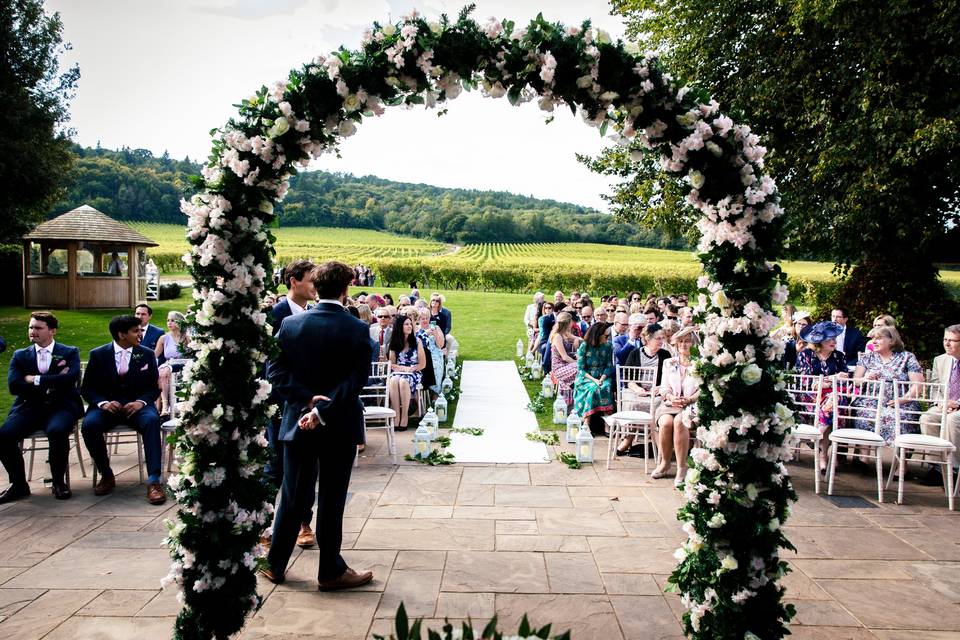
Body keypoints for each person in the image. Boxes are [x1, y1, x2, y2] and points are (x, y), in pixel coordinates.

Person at [264, 260, 374, 591]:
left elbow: (275, 373)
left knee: (293, 494)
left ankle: (274, 564)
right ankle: (330, 571)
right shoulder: (357, 329)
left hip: (297, 422)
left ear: (316, 286)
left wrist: (306, 400)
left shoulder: (291, 325)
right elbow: (357, 380)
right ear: (347, 286)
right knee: (331, 496)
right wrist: (323, 407)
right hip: (338, 425)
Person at [81, 315, 165, 504]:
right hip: (107, 408)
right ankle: (107, 474)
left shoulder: (146, 354)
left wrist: (141, 402)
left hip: (138, 407)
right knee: (89, 425)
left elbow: (154, 388)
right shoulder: (98, 355)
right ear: (121, 334)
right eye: (136, 331)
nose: (141, 334)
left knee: (152, 421)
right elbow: (87, 389)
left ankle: (154, 481)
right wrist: (103, 403)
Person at [0, 312, 83, 503]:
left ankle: (58, 481)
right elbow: (14, 386)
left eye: (38, 328)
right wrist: (55, 380)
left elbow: (69, 380)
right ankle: (19, 485)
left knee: (57, 430)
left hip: (61, 406)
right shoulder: (20, 355)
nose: (32, 331)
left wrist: (34, 379)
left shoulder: (69, 352)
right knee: (4, 436)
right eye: (31, 327)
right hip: (30, 407)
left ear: (52, 330)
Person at [268, 259, 318, 549]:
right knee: (278, 467)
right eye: (311, 279)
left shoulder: (312, 314)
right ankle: (268, 521)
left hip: (309, 405)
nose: (315, 286)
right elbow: (271, 366)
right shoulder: (276, 315)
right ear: (293, 281)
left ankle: (304, 522)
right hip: (281, 403)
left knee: (308, 469)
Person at [851, 326, 923, 444]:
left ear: (891, 340)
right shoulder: (867, 358)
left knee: (897, 417)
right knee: (864, 414)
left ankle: (899, 457)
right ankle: (863, 459)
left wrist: (901, 400)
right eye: (873, 338)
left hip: (901, 403)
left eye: (878, 338)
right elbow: (856, 381)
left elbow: (918, 385)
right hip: (871, 401)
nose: (873, 341)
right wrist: (865, 379)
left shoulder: (907, 357)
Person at [794, 321, 848, 473]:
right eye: (830, 339)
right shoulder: (806, 354)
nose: (834, 341)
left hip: (833, 396)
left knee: (834, 399)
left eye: (834, 338)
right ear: (819, 341)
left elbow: (844, 378)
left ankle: (818, 436)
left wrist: (828, 380)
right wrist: (832, 378)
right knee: (831, 407)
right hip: (810, 397)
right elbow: (804, 380)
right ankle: (823, 456)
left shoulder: (839, 356)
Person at [651, 326, 700, 486]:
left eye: (687, 342)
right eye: (680, 342)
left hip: (692, 406)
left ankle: (681, 467)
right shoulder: (668, 363)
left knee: (680, 422)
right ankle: (665, 463)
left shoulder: (700, 364)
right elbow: (664, 387)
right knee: (665, 423)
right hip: (670, 403)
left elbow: (704, 389)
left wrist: (689, 399)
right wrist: (671, 397)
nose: (684, 345)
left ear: (693, 344)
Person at [616, 322, 673, 456]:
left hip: (657, 393)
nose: (661, 342)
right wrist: (637, 389)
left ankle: (658, 445)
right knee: (633, 402)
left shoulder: (665, 355)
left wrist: (659, 388)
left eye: (662, 338)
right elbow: (628, 380)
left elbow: (669, 379)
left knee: (657, 404)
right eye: (658, 338)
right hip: (637, 392)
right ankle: (629, 437)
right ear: (647, 339)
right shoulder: (635, 353)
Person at [919, 324, 960, 486]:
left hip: (957, 407)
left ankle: (954, 469)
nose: (947, 344)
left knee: (953, 420)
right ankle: (936, 467)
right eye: (945, 339)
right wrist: (942, 403)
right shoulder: (940, 360)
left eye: (952, 340)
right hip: (944, 405)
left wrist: (956, 404)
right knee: (927, 417)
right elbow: (935, 388)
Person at [573, 322, 615, 436]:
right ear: (597, 335)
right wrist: (594, 380)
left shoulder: (608, 346)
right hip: (586, 376)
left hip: (602, 375)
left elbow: (609, 365)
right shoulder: (584, 346)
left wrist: (601, 378)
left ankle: (606, 422)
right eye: (605, 336)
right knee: (593, 389)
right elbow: (580, 369)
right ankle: (587, 422)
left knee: (605, 386)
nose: (607, 338)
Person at [386, 315, 426, 430]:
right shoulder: (394, 342)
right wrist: (403, 368)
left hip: (414, 372)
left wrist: (411, 369)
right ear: (400, 327)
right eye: (406, 324)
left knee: (403, 381)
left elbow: (422, 364)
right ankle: (396, 416)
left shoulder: (417, 341)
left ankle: (404, 417)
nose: (410, 326)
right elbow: (392, 364)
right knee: (393, 380)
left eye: (410, 324)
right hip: (398, 372)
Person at [155, 311, 188, 418]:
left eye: (172, 320)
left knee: (164, 373)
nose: (169, 323)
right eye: (168, 320)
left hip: (183, 367)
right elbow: (154, 356)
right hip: (167, 366)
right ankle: (165, 406)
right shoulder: (163, 338)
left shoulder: (187, 338)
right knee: (162, 372)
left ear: (180, 322)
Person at [549, 312, 580, 406]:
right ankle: (573, 398)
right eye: (571, 322)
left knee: (583, 369)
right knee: (580, 369)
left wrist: (576, 340)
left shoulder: (565, 334)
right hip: (559, 367)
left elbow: (581, 339)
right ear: (567, 323)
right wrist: (578, 362)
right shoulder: (557, 336)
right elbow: (564, 357)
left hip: (567, 364)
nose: (573, 324)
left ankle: (578, 397)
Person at [416, 308, 445, 395]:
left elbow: (440, 345)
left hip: (435, 355)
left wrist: (435, 334)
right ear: (419, 319)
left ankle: (435, 394)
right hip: (421, 355)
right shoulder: (417, 329)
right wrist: (424, 334)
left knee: (435, 364)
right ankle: (423, 392)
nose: (425, 320)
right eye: (422, 318)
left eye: (427, 318)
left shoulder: (435, 327)